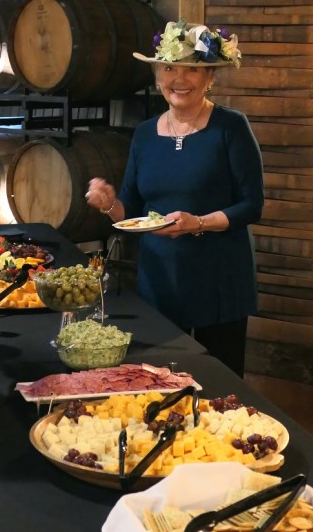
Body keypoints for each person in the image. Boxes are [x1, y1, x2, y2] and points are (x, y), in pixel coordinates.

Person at [86, 19, 264, 376]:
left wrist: (198, 223)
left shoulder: (231, 127)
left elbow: (251, 205)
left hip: (219, 280)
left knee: (219, 383)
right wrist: (108, 204)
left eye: (191, 69)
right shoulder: (144, 134)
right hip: (160, 281)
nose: (179, 79)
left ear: (209, 77)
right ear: (157, 77)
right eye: (169, 68)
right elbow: (131, 211)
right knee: (161, 380)